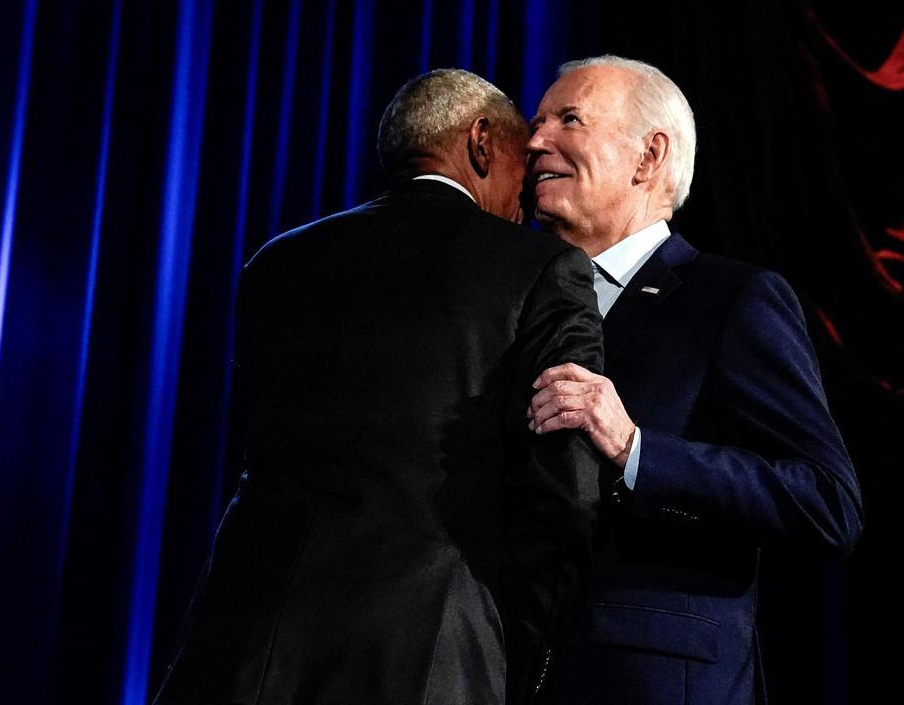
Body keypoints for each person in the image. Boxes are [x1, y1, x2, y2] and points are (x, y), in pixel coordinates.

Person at [153, 69, 605, 705]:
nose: (527, 194)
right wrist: (524, 641)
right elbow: (565, 490)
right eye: (517, 157)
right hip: (426, 648)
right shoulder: (540, 271)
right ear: (480, 143)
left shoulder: (278, 261)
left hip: (245, 637)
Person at [524, 55, 864, 704]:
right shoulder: (516, 304)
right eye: (537, 122)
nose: (537, 141)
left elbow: (827, 502)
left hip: (655, 682)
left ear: (649, 156)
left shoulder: (729, 300)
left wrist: (635, 450)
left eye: (569, 119)